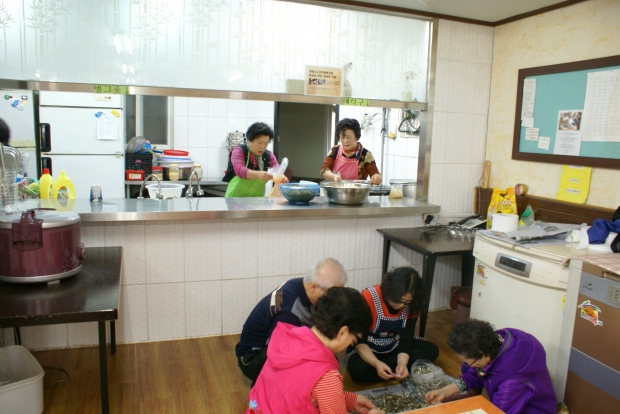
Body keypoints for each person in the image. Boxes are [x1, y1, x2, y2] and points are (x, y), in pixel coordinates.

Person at [246, 287, 385, 414]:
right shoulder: (326, 377)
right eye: (354, 338)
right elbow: (321, 387)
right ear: (342, 332)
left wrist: (350, 400)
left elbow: (301, 392)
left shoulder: (287, 339)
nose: (352, 343)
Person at [236, 258, 347, 384]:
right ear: (314, 287)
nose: (334, 299)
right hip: (252, 358)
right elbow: (279, 354)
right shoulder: (289, 312)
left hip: (275, 344)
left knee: (327, 362)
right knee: (319, 369)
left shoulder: (302, 284)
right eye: (331, 294)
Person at [425, 319, 556, 414]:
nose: (466, 365)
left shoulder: (512, 381)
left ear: (485, 355)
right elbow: (474, 375)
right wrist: (444, 392)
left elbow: (495, 411)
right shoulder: (496, 341)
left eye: (467, 361)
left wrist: (446, 411)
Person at [345, 267, 439, 383]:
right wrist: (376, 364)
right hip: (368, 348)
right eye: (398, 300)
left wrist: (402, 363)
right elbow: (360, 341)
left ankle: (393, 370)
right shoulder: (369, 298)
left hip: (395, 345)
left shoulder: (413, 304)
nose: (401, 306)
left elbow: (406, 338)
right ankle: (388, 369)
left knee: (432, 350)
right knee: (359, 371)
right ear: (388, 291)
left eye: (407, 302)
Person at [223, 122, 288, 197]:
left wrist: (281, 177)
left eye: (266, 143)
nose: (263, 147)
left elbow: (277, 170)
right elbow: (239, 170)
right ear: (249, 140)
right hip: (234, 200)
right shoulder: (239, 151)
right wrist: (259, 175)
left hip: (257, 201)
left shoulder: (269, 155)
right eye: (259, 143)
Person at [321, 118, 382, 185]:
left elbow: (375, 173)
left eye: (348, 137)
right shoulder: (335, 150)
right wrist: (333, 177)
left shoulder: (365, 155)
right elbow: (324, 171)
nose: (345, 141)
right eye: (342, 137)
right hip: (336, 190)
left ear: (356, 136)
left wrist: (376, 177)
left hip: (357, 191)